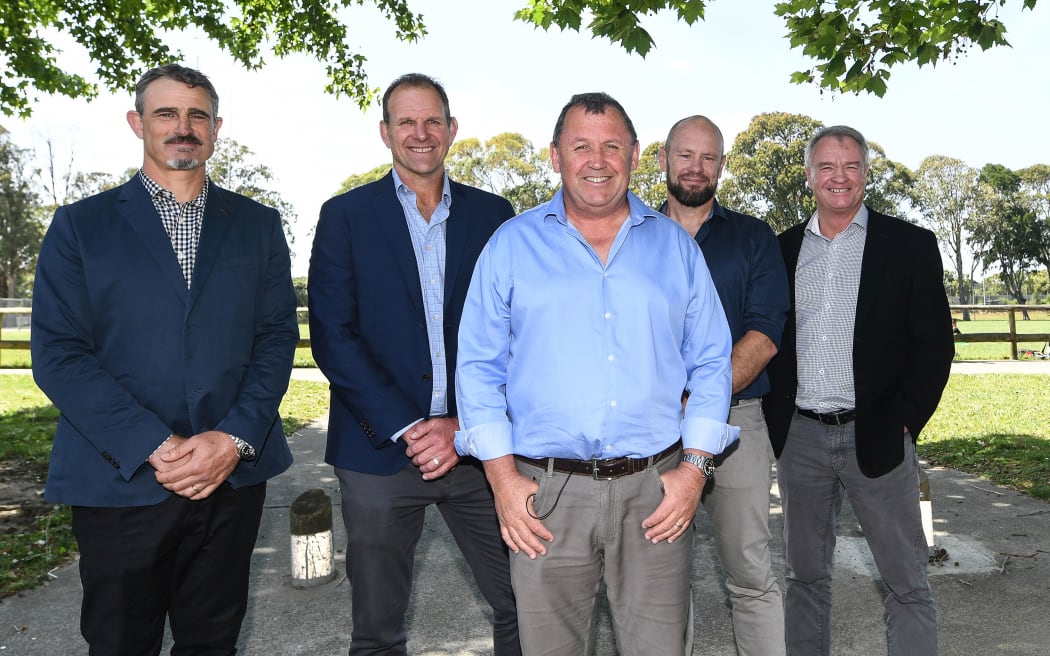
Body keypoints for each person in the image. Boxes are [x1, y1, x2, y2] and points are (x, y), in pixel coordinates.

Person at [455, 92, 739, 655]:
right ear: (555, 155)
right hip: (543, 497)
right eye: (580, 146)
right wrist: (502, 480)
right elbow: (478, 368)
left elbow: (712, 362)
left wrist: (695, 470)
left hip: (656, 493)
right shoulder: (511, 246)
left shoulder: (676, 248)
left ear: (634, 155)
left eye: (612, 146)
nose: (597, 160)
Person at [30, 63, 299, 654]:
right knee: (121, 643)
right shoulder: (80, 226)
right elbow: (58, 353)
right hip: (120, 479)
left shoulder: (257, 225)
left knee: (213, 642)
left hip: (230, 478)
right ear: (138, 123)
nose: (184, 126)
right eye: (167, 113)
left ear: (216, 128)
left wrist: (233, 437)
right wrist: (155, 444)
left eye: (198, 115)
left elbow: (277, 337)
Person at [308, 73, 520, 655]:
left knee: (525, 601)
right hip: (378, 453)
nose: (420, 133)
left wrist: (462, 425)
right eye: (406, 121)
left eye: (432, 121)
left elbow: (516, 332)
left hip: (478, 448)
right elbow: (333, 336)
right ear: (386, 132)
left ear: (452, 130)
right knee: (377, 627)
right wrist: (410, 427)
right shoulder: (345, 216)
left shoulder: (494, 215)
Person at [763, 125, 954, 656]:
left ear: (866, 173)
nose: (839, 177)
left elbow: (935, 346)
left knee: (907, 582)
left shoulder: (910, 245)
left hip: (878, 434)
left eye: (850, 166)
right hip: (801, 439)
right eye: (826, 166)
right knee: (804, 577)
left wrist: (904, 420)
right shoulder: (782, 250)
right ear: (809, 176)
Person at [658, 115, 789, 656]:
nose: (696, 167)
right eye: (685, 155)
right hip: (652, 429)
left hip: (738, 423)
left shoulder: (754, 238)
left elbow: (764, 334)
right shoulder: (630, 234)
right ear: (663, 159)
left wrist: (700, 401)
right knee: (660, 582)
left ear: (723, 166)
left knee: (751, 572)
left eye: (708, 157)